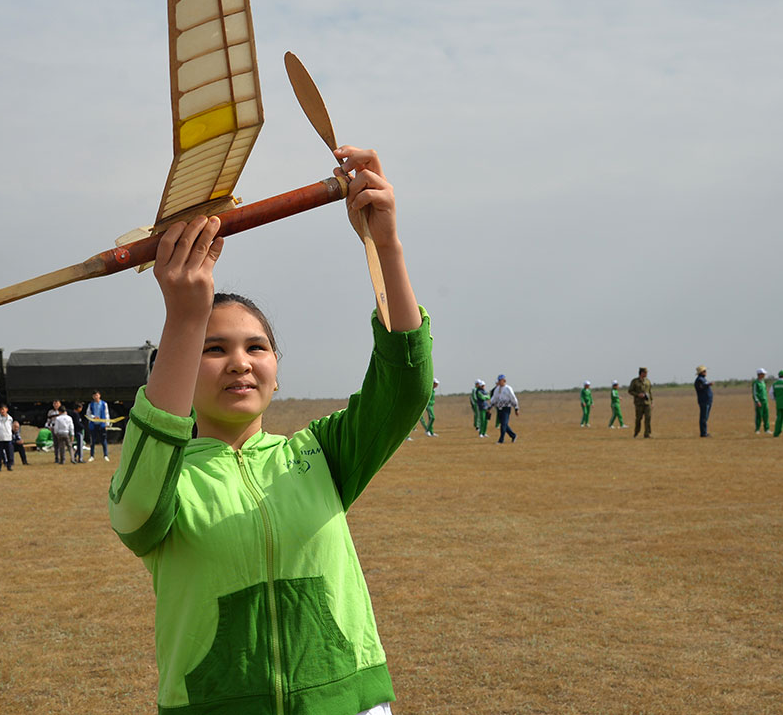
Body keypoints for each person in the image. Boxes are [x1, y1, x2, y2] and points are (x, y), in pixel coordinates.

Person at [108, 145, 432, 715]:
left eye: (256, 347)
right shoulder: (165, 479)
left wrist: (384, 246)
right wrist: (185, 315)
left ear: (277, 373)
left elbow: (403, 386)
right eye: (214, 349)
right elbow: (132, 510)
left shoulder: (321, 456)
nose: (239, 362)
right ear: (182, 365)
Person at [489, 374, 518, 443]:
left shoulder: (508, 388)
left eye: (500, 380)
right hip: (499, 408)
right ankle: (513, 435)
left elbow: (513, 398)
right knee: (503, 424)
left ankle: (501, 439)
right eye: (498, 380)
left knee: (503, 424)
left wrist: (516, 408)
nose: (499, 382)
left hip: (506, 408)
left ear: (504, 380)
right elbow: (494, 398)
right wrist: (490, 407)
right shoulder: (497, 389)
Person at [628, 367, 653, 438]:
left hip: (647, 403)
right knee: (638, 418)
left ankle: (647, 434)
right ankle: (636, 432)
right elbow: (630, 391)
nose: (646, 374)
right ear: (641, 373)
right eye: (645, 372)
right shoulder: (635, 381)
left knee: (648, 418)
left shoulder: (648, 381)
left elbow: (650, 392)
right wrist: (638, 395)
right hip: (639, 403)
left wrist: (652, 401)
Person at [87, 390, 110, 462]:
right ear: (93, 397)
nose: (96, 397)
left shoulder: (104, 404)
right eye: (94, 396)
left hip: (102, 424)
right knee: (92, 441)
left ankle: (105, 455)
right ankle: (92, 456)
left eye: (97, 395)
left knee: (103, 440)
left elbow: (106, 414)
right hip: (93, 425)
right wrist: (93, 417)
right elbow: (88, 414)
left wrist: (107, 424)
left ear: (99, 395)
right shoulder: (91, 404)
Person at [0, 403, 15, 470]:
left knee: (9, 453)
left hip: (8, 438)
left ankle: (9, 466)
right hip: (0, 438)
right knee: (0, 454)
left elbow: (10, 426)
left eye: (3, 409)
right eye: (1, 409)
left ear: (6, 410)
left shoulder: (10, 418)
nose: (2, 411)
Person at [752, 368, 770, 434]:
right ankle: (757, 429)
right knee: (759, 416)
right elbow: (754, 393)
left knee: (766, 415)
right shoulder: (756, 383)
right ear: (760, 374)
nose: (764, 375)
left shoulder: (763, 382)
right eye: (763, 374)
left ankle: (767, 429)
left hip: (765, 401)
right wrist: (757, 401)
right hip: (759, 402)